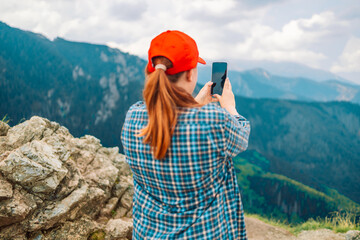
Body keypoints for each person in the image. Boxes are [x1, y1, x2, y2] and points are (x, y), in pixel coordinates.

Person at [121, 30, 251, 239]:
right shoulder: (212, 120)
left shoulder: (133, 117)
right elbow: (241, 138)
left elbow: (170, 123)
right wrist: (230, 108)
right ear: (190, 74)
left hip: (148, 233)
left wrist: (195, 105)